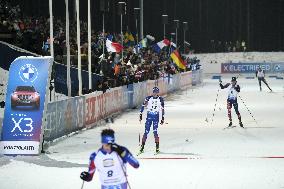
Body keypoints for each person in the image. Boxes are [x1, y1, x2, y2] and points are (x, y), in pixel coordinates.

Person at [139, 87, 165, 153]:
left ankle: (157, 148)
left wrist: (162, 118)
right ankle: (142, 148)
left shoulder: (160, 99)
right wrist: (140, 114)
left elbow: (162, 109)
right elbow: (142, 105)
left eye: (156, 92)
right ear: (152, 92)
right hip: (149, 117)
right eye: (154, 92)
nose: (155, 93)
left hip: (156, 117)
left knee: (155, 132)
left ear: (158, 92)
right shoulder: (148, 98)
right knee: (146, 132)